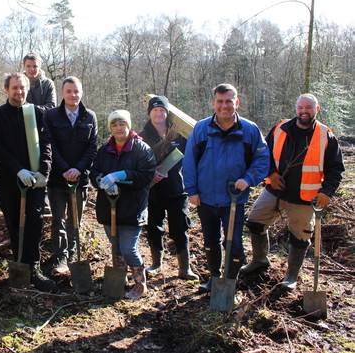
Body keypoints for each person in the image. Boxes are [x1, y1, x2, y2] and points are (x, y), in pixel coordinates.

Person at [241, 93, 344, 290]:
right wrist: (270, 173)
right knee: (255, 222)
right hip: (275, 191)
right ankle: (259, 260)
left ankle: (291, 276)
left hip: (306, 198)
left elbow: (336, 170)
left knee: (300, 237)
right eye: (301, 108)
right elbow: (262, 155)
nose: (304, 111)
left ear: (317, 109)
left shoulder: (326, 136)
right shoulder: (280, 129)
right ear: (296, 109)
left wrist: (326, 192)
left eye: (309, 108)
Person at [183, 83, 270, 292]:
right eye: (220, 101)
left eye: (229, 101)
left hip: (234, 198)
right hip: (205, 198)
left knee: (234, 243)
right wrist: (192, 191)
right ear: (213, 103)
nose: (224, 106)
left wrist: (249, 178)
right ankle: (214, 278)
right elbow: (189, 161)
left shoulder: (249, 130)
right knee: (211, 241)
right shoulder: (202, 129)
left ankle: (230, 281)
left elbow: (262, 159)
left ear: (236, 103)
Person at [0, 72, 55, 291]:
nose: (19, 91)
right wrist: (18, 169)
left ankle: (33, 268)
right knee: (15, 222)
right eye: (14, 88)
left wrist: (44, 171)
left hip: (35, 180)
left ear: (27, 89)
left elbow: (46, 142)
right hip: (9, 180)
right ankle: (19, 267)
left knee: (34, 220)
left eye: (22, 88)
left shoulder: (36, 112)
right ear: (7, 90)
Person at [91, 110, 156, 299]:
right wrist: (100, 180)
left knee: (128, 248)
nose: (119, 128)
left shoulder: (142, 149)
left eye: (122, 124)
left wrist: (122, 175)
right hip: (108, 206)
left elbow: (146, 175)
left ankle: (140, 284)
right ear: (111, 128)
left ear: (129, 126)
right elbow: (94, 172)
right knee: (115, 245)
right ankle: (121, 279)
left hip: (131, 208)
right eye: (114, 125)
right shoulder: (104, 150)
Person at [43, 76, 98, 275]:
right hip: (57, 179)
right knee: (58, 220)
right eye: (68, 92)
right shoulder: (51, 116)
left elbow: (92, 147)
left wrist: (78, 169)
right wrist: (65, 168)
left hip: (80, 181)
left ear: (81, 93)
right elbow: (49, 145)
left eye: (76, 91)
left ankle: (73, 256)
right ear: (62, 93)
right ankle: (60, 258)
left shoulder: (89, 116)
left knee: (75, 221)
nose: (72, 95)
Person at [140, 96, 198, 280]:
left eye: (162, 110)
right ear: (149, 112)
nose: (159, 113)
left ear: (167, 113)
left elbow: (191, 159)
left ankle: (184, 269)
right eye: (155, 110)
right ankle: (156, 264)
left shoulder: (180, 135)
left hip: (176, 189)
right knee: (154, 227)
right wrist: (150, 173)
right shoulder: (142, 136)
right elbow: (136, 162)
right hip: (153, 190)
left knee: (180, 227)